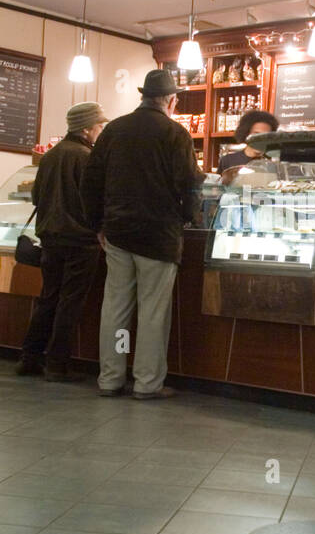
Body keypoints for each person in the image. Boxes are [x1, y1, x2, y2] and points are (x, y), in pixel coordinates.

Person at [81, 70, 201, 399]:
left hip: (118, 233)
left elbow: (90, 181)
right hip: (158, 236)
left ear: (143, 96)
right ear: (171, 100)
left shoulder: (114, 130)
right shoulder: (175, 133)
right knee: (152, 313)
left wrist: (98, 225)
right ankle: (147, 383)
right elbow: (189, 184)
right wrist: (187, 218)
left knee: (116, 308)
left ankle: (110, 379)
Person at [17, 102, 108, 381]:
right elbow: (96, 202)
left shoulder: (51, 156)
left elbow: (36, 198)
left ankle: (29, 357)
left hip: (50, 238)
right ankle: (57, 364)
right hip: (81, 241)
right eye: (99, 126)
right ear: (86, 128)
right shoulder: (86, 157)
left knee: (48, 298)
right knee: (70, 303)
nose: (101, 130)